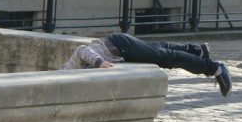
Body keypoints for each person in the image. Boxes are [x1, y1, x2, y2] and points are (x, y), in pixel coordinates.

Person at [61, 33, 232, 97]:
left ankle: (215, 68)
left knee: (167, 58)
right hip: (119, 47)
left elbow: (81, 50)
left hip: (118, 47)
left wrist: (99, 63)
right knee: (159, 49)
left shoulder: (65, 73)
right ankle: (198, 51)